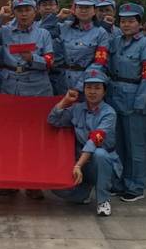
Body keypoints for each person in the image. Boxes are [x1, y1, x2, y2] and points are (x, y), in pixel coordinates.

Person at [0, 0, 55, 198]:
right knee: (9, 138)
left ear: (35, 11)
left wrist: (33, 58)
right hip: (10, 86)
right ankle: (9, 181)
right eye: (19, 10)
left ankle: (34, 183)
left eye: (27, 10)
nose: (24, 14)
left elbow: (50, 61)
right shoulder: (5, 31)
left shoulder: (43, 34)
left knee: (34, 138)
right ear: (14, 12)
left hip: (36, 87)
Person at [48, 69, 122, 217]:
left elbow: (94, 141)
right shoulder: (77, 109)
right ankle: (84, 192)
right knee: (57, 188)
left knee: (100, 154)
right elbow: (53, 120)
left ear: (104, 91)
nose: (92, 92)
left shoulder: (109, 113)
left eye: (97, 88)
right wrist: (65, 101)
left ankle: (103, 201)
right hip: (82, 164)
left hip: (102, 164)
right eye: (88, 87)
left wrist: (78, 166)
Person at [105, 3, 146, 202]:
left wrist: (141, 101)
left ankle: (136, 186)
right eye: (123, 21)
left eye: (131, 21)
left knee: (136, 146)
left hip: (134, 95)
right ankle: (119, 182)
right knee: (118, 144)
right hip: (114, 95)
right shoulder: (115, 42)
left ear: (139, 24)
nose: (126, 25)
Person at [42, 0, 110, 98]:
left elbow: (99, 62)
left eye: (87, 7)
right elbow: (42, 33)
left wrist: (80, 85)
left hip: (86, 83)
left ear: (94, 11)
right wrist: (58, 17)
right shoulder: (64, 27)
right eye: (80, 7)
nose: (83, 11)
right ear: (74, 9)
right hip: (61, 81)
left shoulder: (101, 33)